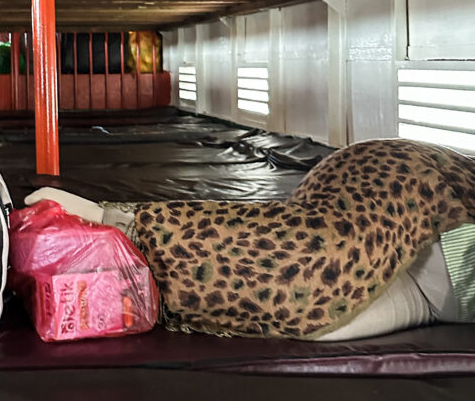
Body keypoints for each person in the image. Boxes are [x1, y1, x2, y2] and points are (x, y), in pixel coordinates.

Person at [25, 138, 475, 342]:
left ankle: (113, 278)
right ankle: (113, 223)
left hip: (433, 289)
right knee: (312, 273)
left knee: (310, 315)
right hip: (416, 191)